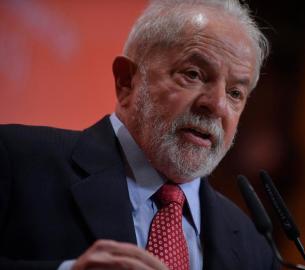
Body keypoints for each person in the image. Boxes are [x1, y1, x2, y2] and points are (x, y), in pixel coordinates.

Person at [0, 0, 278, 269]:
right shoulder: (17, 160)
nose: (217, 105)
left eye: (235, 93)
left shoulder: (253, 245)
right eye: (193, 74)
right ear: (127, 81)